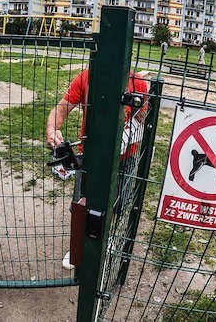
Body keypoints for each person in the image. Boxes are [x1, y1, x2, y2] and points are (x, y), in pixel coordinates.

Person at [46, 69, 148, 269]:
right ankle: (78, 247)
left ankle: (105, 238)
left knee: (117, 202)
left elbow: (143, 119)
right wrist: (52, 129)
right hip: (91, 153)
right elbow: (62, 108)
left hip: (125, 155)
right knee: (81, 203)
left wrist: (142, 105)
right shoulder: (86, 77)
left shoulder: (137, 82)